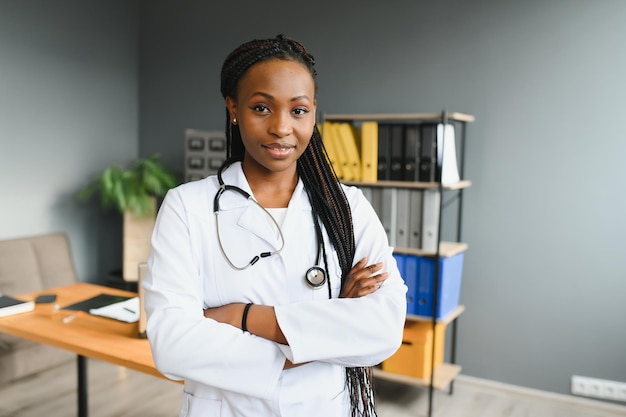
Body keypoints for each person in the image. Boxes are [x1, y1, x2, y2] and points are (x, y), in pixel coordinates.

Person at [143, 34, 407, 417]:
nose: (282, 127)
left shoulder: (348, 207)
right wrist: (329, 328)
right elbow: (172, 343)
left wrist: (243, 316)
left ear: (314, 111)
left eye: (298, 110)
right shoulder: (187, 207)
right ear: (233, 108)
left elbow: (383, 328)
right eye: (262, 108)